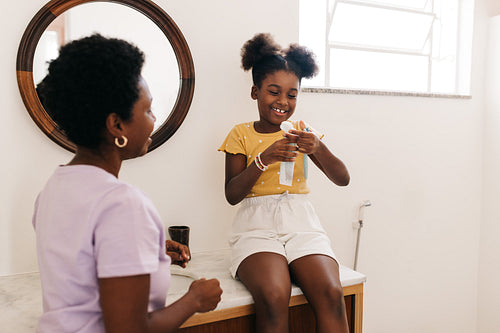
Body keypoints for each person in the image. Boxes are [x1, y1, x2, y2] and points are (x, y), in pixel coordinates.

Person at [33, 34, 222, 333]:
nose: (154, 118)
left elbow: (80, 262)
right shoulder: (123, 204)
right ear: (116, 125)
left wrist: (147, 250)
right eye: (147, 109)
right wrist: (194, 300)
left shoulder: (53, 189)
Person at [218, 33, 350, 333]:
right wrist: (265, 158)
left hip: (301, 223)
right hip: (256, 228)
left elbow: (342, 178)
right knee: (274, 295)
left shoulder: (303, 132)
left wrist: (317, 147)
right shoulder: (240, 134)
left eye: (292, 94)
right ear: (255, 92)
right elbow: (232, 194)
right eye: (273, 92)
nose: (282, 102)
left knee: (331, 293)